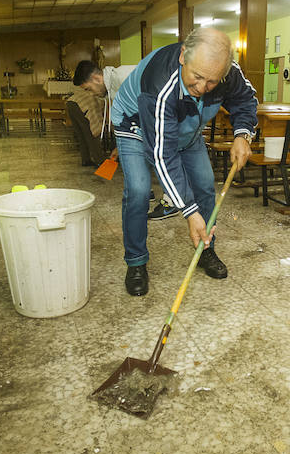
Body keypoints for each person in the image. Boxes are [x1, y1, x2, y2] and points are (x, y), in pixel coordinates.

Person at [110, 27, 257, 296]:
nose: (202, 88)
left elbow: (244, 99)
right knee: (140, 191)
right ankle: (136, 261)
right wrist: (188, 211)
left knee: (203, 184)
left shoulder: (226, 73)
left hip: (185, 128)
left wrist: (242, 134)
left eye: (212, 82)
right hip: (135, 126)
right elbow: (163, 156)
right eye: (197, 77)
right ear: (182, 57)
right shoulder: (160, 87)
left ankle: (205, 249)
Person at [73, 60, 180, 219]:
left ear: (96, 78)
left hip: (165, 113)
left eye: (89, 89)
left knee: (158, 154)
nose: (91, 93)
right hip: (149, 118)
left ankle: (172, 202)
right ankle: (145, 191)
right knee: (139, 149)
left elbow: (152, 99)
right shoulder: (113, 85)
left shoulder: (122, 77)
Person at [68, 61, 107, 166]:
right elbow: (96, 127)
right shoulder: (100, 96)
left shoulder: (99, 92)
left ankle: (85, 160)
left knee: (81, 134)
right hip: (81, 106)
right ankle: (100, 161)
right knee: (91, 134)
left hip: (70, 103)